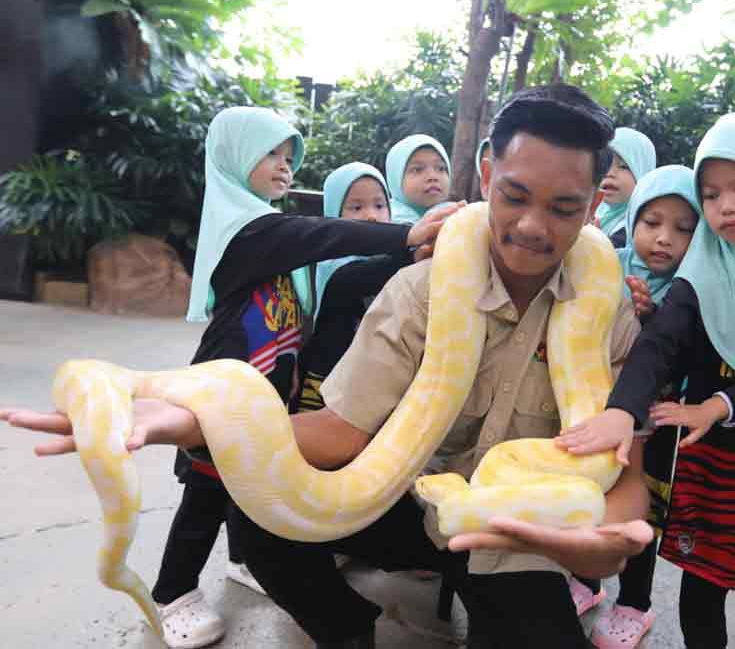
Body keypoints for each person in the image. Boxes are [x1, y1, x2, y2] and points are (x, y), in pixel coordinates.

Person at [3, 85, 653, 649]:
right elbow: (341, 433)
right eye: (514, 196)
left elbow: (624, 472)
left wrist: (616, 537)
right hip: (413, 500)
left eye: (564, 209)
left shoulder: (607, 307)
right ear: (486, 178)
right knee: (260, 505)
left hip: (521, 533)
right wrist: (197, 421)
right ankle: (344, 625)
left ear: (595, 206)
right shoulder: (423, 291)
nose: (533, 227)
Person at [67, 106, 448, 649]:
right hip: (221, 389)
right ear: (233, 157)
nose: (284, 166)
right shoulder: (247, 230)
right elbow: (318, 236)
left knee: (240, 493)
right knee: (203, 499)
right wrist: (406, 234)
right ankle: (171, 593)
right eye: (270, 153)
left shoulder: (264, 226)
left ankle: (244, 560)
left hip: (265, 393)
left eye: (290, 156)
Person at [558, 112, 735, 649]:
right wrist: (624, 409)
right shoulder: (702, 274)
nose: (726, 205)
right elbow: (661, 345)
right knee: (706, 574)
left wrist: (720, 403)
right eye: (710, 195)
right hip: (720, 458)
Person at [578, 165, 701, 649]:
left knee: (640, 512)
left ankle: (635, 604)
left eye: (683, 228)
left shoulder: (691, 288)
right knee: (592, 492)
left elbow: (684, 354)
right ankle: (586, 582)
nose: (664, 238)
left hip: (658, 420)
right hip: (600, 407)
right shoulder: (611, 261)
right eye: (652, 222)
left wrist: (651, 319)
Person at [296, 163, 408, 412]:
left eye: (379, 205)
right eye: (357, 207)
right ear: (334, 215)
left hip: (370, 374)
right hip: (326, 370)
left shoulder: (390, 257)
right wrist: (412, 253)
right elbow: (355, 280)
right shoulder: (331, 260)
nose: (371, 215)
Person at [594, 127, 656, 248]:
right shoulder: (594, 212)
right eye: (605, 164)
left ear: (642, 172)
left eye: (623, 166)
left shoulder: (633, 229)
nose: (609, 173)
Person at [385, 134, 451, 224]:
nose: (432, 177)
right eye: (417, 170)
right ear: (395, 180)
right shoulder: (382, 221)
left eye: (441, 168)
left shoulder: (460, 218)